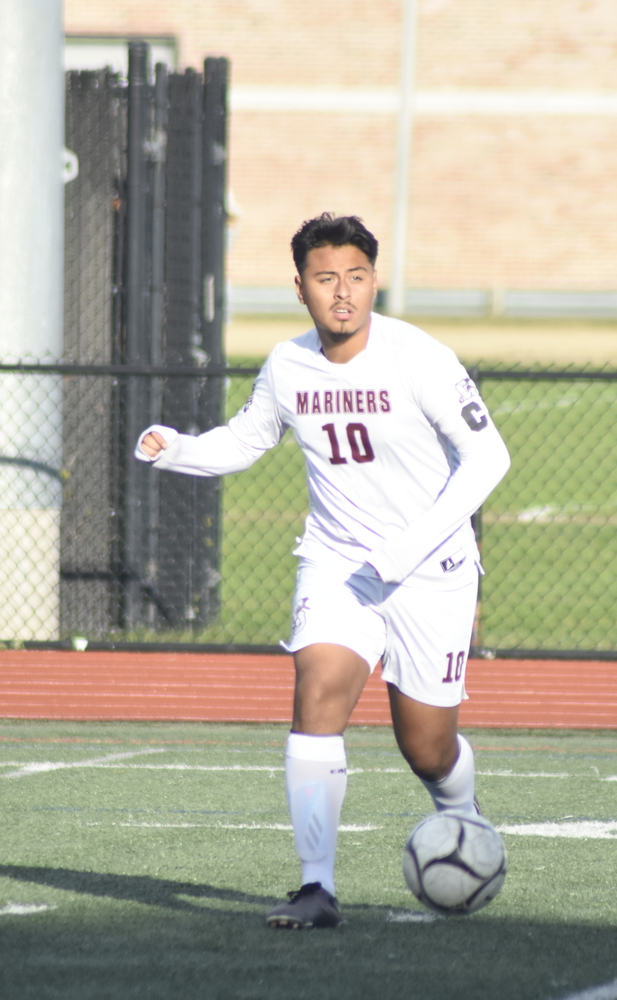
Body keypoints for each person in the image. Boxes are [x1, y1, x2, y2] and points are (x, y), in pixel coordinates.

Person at [134, 213, 511, 930]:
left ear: (375, 282)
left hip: (432, 571)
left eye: (358, 278)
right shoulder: (287, 364)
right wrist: (175, 448)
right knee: (318, 687)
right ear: (301, 288)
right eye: (326, 279)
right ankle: (316, 888)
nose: (343, 293)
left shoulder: (420, 357)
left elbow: (489, 460)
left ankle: (463, 818)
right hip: (339, 564)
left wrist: (413, 545)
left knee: (425, 746)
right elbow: (247, 441)